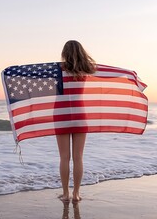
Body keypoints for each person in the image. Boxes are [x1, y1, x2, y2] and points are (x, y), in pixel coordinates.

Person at [57, 40, 96, 202]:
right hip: (80, 114)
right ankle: (76, 194)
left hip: (60, 113)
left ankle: (65, 194)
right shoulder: (86, 69)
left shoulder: (57, 69)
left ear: (64, 52)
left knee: (64, 157)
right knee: (78, 157)